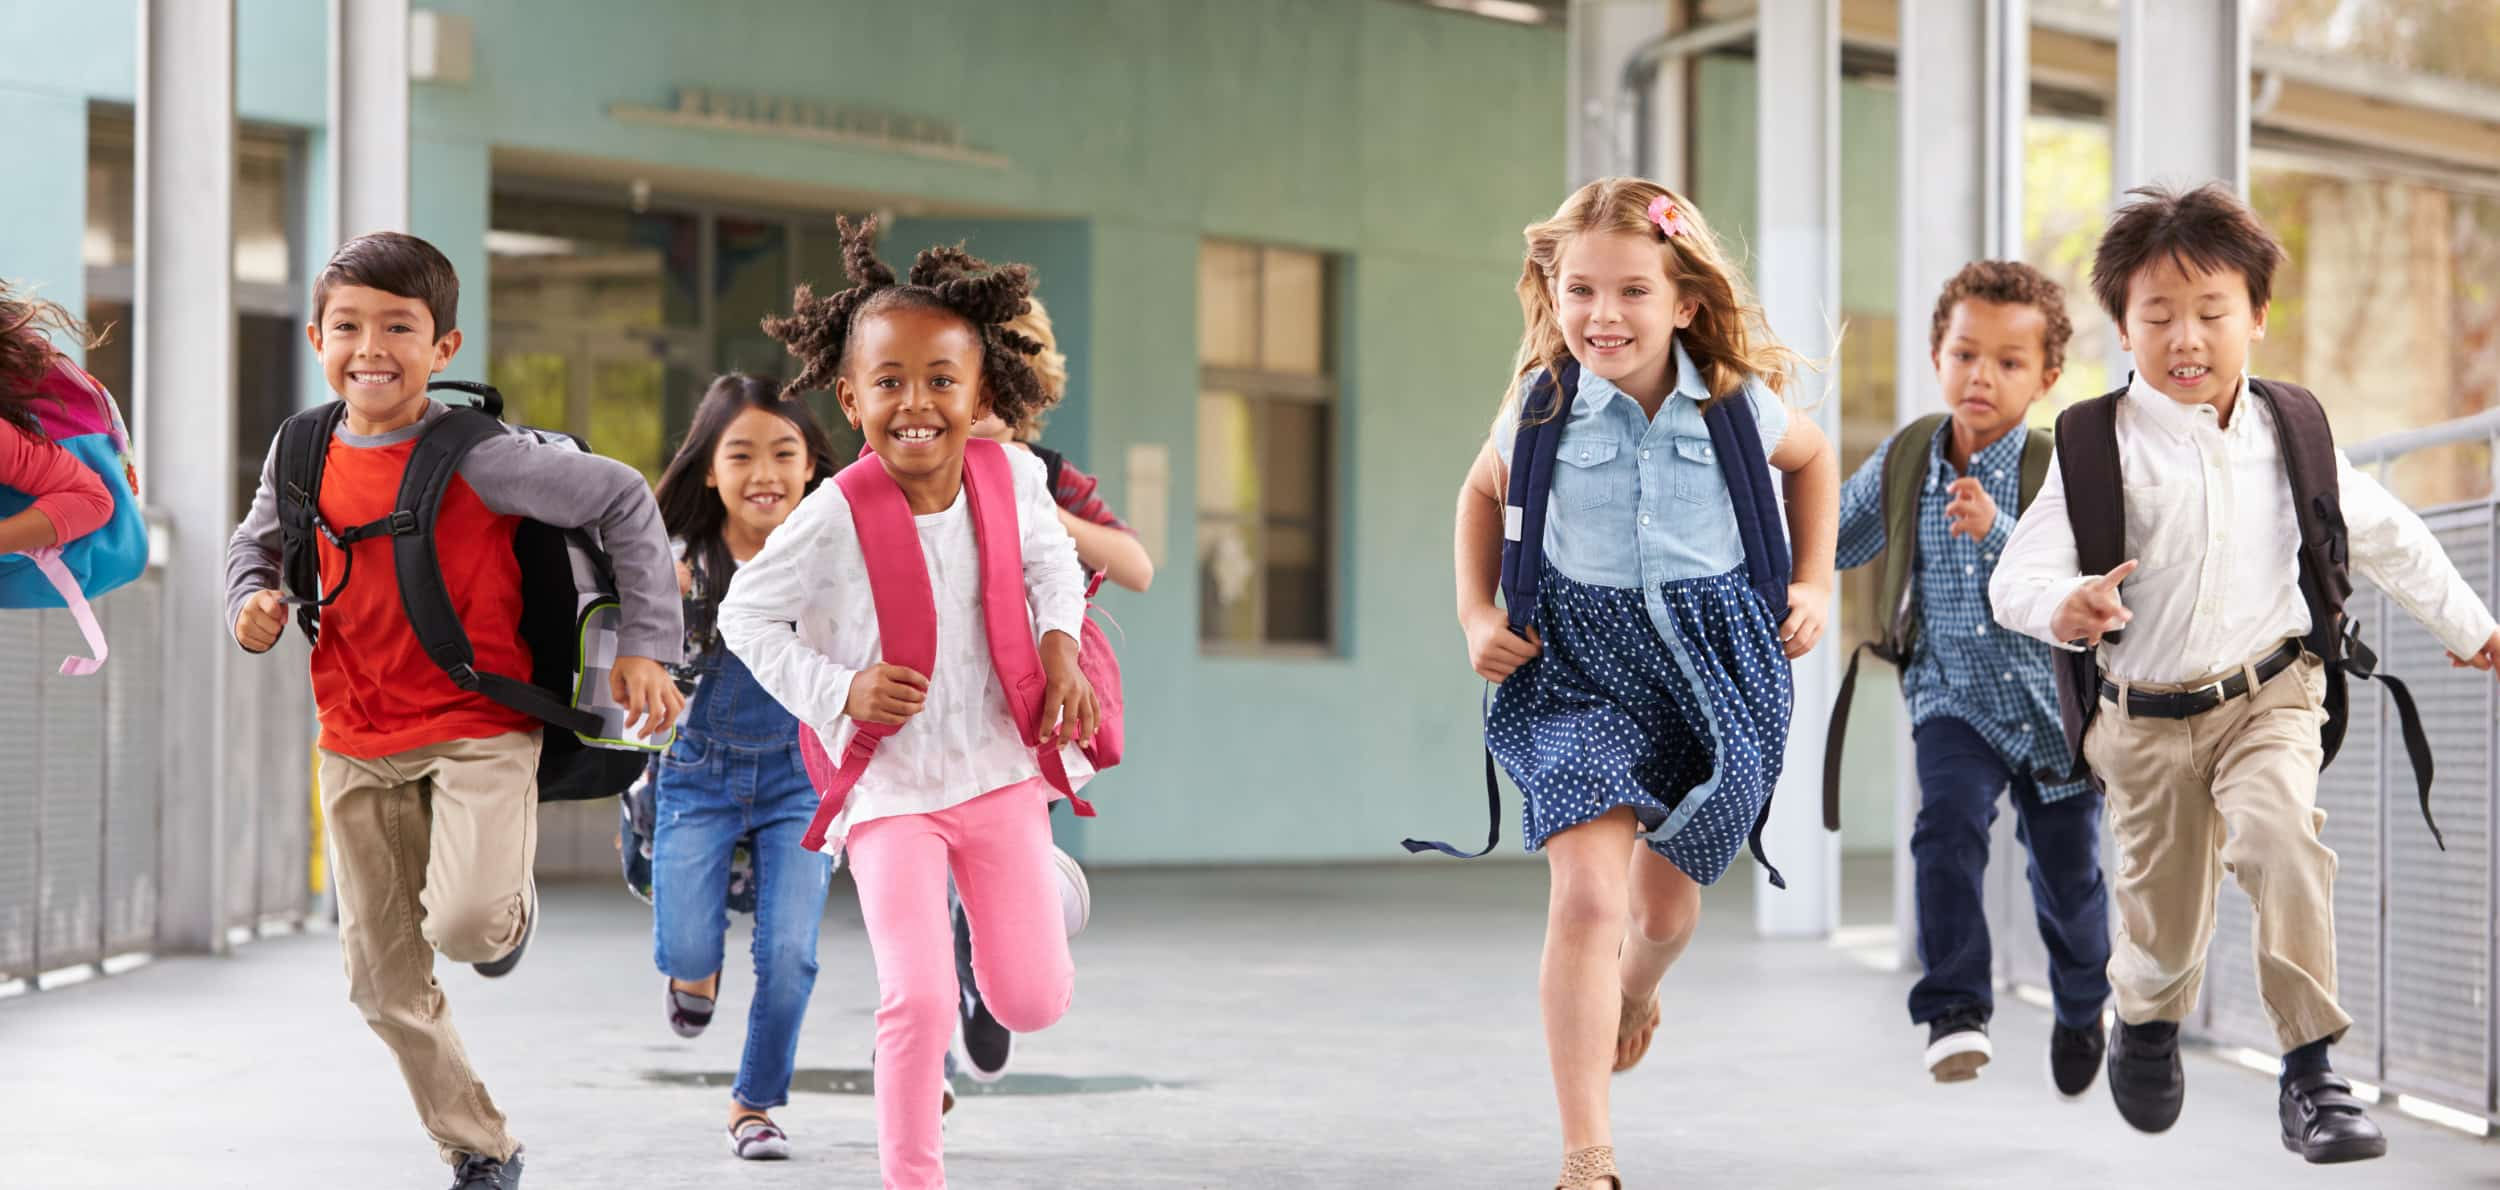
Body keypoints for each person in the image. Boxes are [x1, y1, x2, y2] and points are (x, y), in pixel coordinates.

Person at [1991, 182, 2500, 1164]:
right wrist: (2066, 602)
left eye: (2211, 312)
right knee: (2167, 929)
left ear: (2255, 316)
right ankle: (2143, 1017)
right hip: (2140, 720)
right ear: (2122, 326)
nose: (2186, 337)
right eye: (2159, 316)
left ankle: (2311, 1072)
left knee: (2280, 840)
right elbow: (2018, 575)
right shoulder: (2095, 445)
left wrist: (2471, 627)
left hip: (2268, 692)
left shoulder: (2289, 428)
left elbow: (2385, 532)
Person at [224, 231, 685, 1190]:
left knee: (469, 928)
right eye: (348, 326)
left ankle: (504, 913)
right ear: (317, 335)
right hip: (354, 740)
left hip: (479, 728)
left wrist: (648, 644)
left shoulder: (485, 458)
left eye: (400, 327)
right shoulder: (302, 446)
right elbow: (256, 542)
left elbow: (626, 499)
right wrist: (249, 603)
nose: (371, 347)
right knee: (381, 982)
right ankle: (482, 1147)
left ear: (444, 348)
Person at [1452, 178, 1836, 1190]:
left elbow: (1814, 459)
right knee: (1584, 897)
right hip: (1578, 672)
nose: (1601, 315)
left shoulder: (1737, 409)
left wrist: (1809, 578)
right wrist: (1477, 616)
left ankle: (1637, 987)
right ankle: (1588, 1154)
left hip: (1710, 676)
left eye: (1630, 291)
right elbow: (1478, 495)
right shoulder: (1539, 413)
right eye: (1580, 290)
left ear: (1684, 303)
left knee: (1660, 915)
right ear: (1554, 289)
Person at [720, 218, 1094, 1190]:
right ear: (850, 397)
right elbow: (743, 617)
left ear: (981, 393)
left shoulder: (1009, 477)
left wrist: (1060, 639)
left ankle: (1041, 891)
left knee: (1032, 999)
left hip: (1000, 771)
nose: (915, 402)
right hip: (889, 790)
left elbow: (1055, 562)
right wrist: (838, 688)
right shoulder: (833, 512)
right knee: (918, 998)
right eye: (888, 382)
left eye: (941, 379)